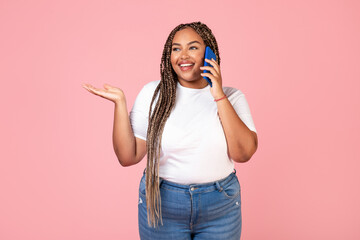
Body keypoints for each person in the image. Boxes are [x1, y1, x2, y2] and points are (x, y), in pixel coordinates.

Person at [82, 21, 258, 240]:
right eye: (176, 48)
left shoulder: (232, 97)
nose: (183, 55)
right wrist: (120, 103)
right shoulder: (153, 94)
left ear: (210, 52)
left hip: (220, 206)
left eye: (193, 47)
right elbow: (128, 156)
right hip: (163, 205)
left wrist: (218, 94)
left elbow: (244, 153)